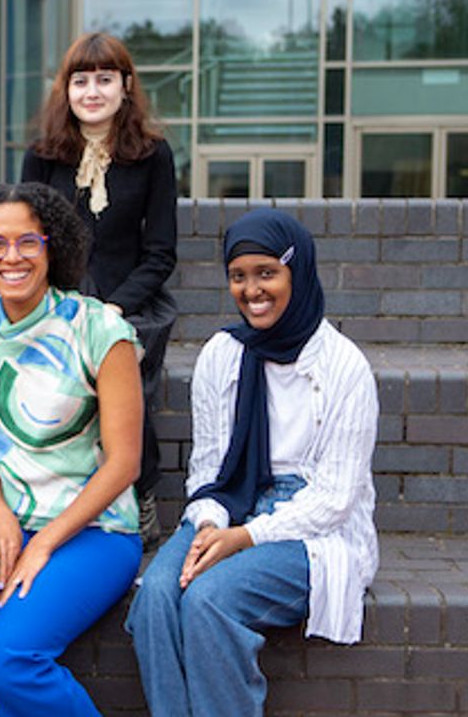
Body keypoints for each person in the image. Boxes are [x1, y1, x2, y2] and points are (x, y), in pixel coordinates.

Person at [126, 208, 379, 716]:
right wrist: (214, 522)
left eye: (267, 273)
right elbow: (210, 468)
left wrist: (244, 538)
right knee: (156, 595)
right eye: (238, 277)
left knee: (209, 600)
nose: (251, 290)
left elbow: (335, 499)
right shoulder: (223, 353)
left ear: (297, 271)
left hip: (314, 526)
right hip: (231, 504)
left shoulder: (343, 365)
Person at [0, 182, 143, 715]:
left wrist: (43, 544)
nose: (11, 257)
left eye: (28, 242)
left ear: (53, 247)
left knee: (8, 658)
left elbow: (124, 462)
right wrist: (0, 518)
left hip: (93, 528)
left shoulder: (99, 329)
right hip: (7, 514)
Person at [20, 31, 177, 545]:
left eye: (105, 79)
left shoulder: (153, 156)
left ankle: (141, 490)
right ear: (65, 89)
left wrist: (113, 306)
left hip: (129, 300)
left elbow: (160, 254)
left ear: (125, 86)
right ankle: (52, 498)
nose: (92, 91)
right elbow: (30, 242)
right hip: (57, 297)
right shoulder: (43, 155)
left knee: (118, 359)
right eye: (80, 80)